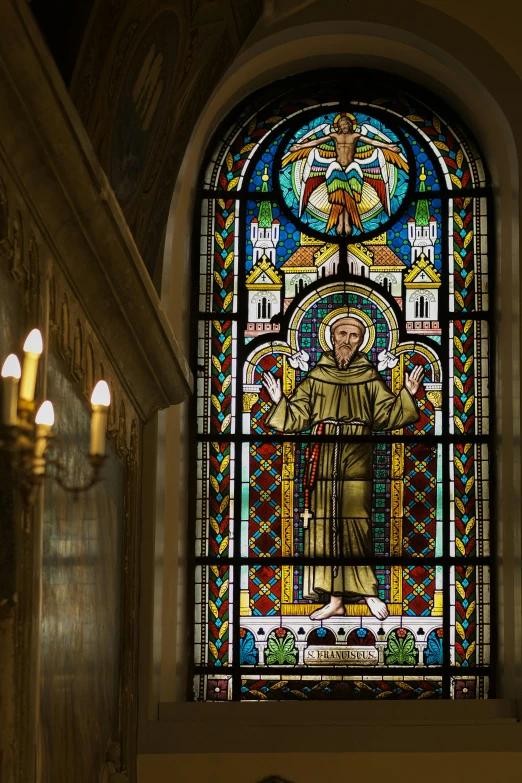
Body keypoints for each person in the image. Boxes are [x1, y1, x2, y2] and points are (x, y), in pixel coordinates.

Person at [262, 315, 424, 620]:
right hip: (323, 453)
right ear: (332, 337)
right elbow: (297, 416)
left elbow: (386, 416)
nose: (347, 340)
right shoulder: (317, 375)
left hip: (357, 452)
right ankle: (334, 599)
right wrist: (279, 400)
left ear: (362, 341)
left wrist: (407, 395)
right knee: (324, 525)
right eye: (342, 333)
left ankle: (368, 593)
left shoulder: (369, 376)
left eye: (354, 335)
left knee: (355, 519)